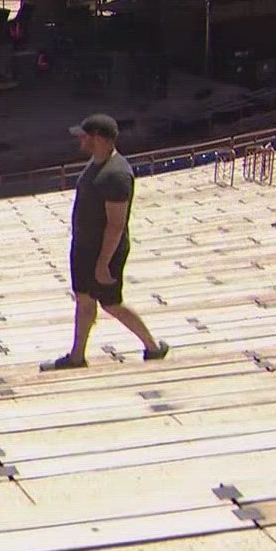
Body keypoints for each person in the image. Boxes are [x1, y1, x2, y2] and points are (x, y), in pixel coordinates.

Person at [42, 114, 169, 370]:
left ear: (97, 139)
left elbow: (116, 225)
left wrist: (103, 263)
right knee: (84, 300)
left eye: (84, 136)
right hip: (84, 248)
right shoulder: (97, 163)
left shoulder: (116, 175)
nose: (80, 140)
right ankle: (77, 356)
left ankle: (152, 347)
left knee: (111, 303)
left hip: (102, 252)